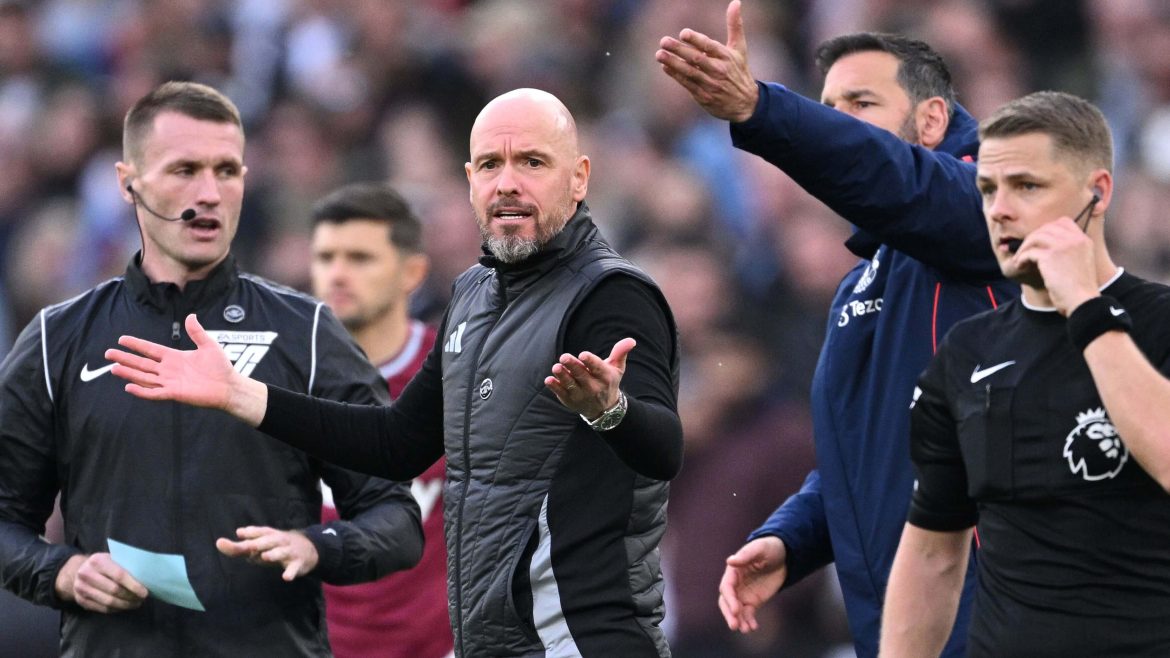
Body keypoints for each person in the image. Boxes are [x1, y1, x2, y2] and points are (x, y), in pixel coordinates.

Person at [107, 88, 683, 658]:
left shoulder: (610, 294)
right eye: (490, 165)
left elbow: (663, 450)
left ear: (579, 178)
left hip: (581, 640)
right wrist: (240, 393)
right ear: (470, 180)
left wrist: (611, 411)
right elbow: (396, 444)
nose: (507, 182)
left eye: (532, 162)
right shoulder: (474, 295)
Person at [0, 81, 424, 656]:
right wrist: (61, 573)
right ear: (129, 183)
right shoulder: (59, 339)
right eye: (185, 170)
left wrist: (317, 547)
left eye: (227, 171)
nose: (209, 192)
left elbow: (396, 518)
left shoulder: (307, 334)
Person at [656, 3, 1016, 655]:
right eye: (828, 107)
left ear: (932, 119)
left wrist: (764, 111)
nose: (838, 123)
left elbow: (897, 181)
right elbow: (867, 455)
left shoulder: (991, 209)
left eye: (861, 103)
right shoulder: (861, 284)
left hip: (998, 619)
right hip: (900, 629)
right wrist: (792, 537)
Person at [881, 91, 1170, 657]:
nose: (999, 210)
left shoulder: (1161, 322)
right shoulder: (967, 352)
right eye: (988, 190)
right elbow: (934, 553)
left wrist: (1084, 305)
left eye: (1027, 187)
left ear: (1098, 192)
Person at [308, 182, 453, 658]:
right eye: (325, 258)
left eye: (360, 258)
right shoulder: (281, 380)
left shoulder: (458, 376)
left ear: (412, 273)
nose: (337, 274)